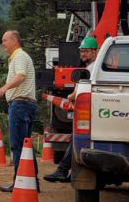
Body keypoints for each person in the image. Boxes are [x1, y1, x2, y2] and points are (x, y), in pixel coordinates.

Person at [43, 36, 98, 183]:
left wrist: (71, 96)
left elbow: (84, 87)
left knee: (76, 139)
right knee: (75, 139)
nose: (82, 54)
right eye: (81, 51)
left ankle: (62, 170)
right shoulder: (92, 67)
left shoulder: (93, 68)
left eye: (86, 51)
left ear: (95, 52)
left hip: (92, 112)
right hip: (93, 111)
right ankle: (67, 171)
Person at [0, 30, 38, 193]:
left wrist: (4, 88)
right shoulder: (20, 57)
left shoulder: (19, 56)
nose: (3, 43)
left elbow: (20, 76)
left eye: (5, 40)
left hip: (20, 104)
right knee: (26, 146)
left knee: (18, 145)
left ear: (14, 41)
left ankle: (19, 182)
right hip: (26, 104)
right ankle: (32, 182)